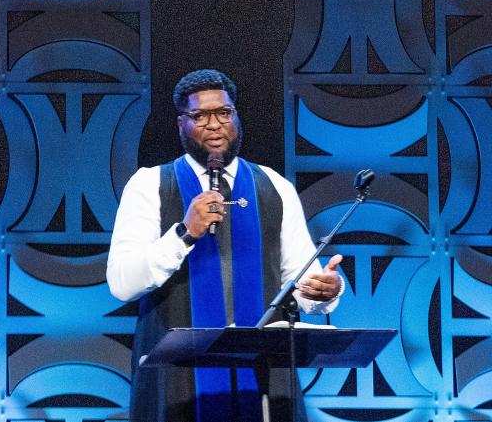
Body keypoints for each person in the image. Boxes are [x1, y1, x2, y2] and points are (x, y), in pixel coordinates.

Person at [106, 68, 343, 422]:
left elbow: (299, 283)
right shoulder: (150, 185)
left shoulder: (274, 186)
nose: (214, 124)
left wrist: (323, 292)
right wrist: (185, 232)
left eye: (224, 113)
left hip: (262, 377)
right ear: (180, 124)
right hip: (180, 379)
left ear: (236, 117)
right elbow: (122, 283)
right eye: (199, 115)